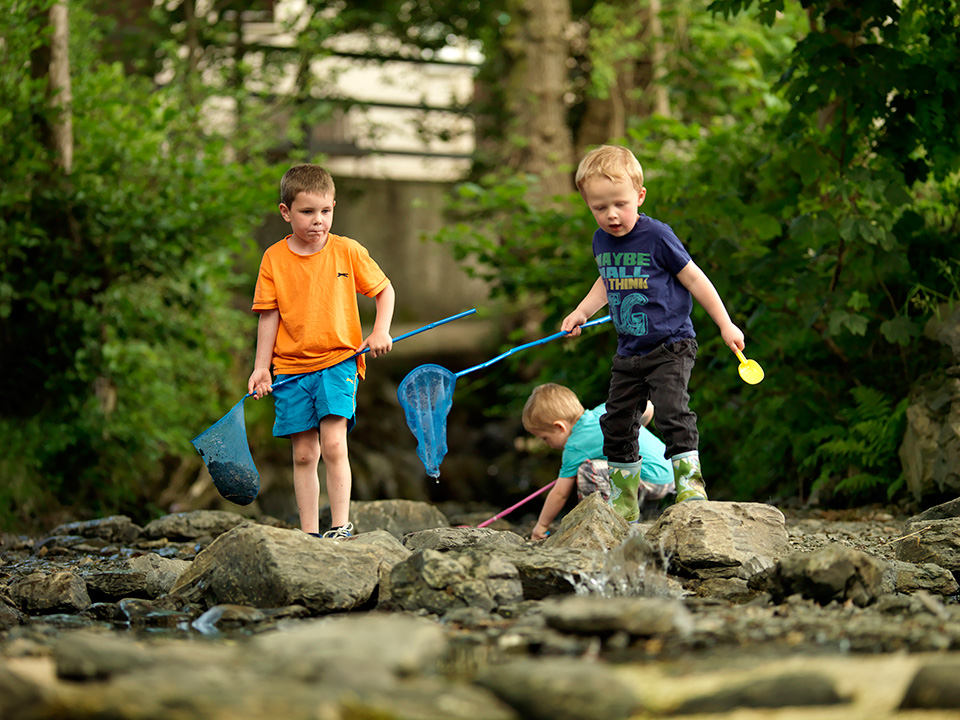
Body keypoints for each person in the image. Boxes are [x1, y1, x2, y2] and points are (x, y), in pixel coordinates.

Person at [560, 145, 745, 519]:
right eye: (599, 208)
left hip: (671, 344)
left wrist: (725, 324)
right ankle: (624, 500)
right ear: (588, 205)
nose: (611, 215)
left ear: (639, 196)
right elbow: (606, 281)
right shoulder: (602, 242)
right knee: (616, 419)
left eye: (620, 204)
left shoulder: (657, 236)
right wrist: (581, 311)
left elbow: (695, 278)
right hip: (630, 351)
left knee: (672, 411)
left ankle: (690, 485)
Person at [247, 164, 395, 539]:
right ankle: (309, 533)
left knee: (332, 443)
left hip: (339, 362)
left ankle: (340, 526)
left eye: (325, 211)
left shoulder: (347, 251)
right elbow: (269, 317)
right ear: (286, 213)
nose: (318, 221)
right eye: (307, 212)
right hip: (291, 370)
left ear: (334, 207)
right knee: (303, 454)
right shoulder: (274, 259)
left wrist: (380, 330)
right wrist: (261, 369)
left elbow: (384, 290)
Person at [522, 383, 674, 540]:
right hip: (670, 471)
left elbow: (560, 493)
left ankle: (604, 523)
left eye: (545, 438)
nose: (547, 444)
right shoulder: (605, 410)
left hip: (651, 480)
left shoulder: (574, 446)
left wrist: (541, 526)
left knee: (587, 470)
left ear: (560, 427)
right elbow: (648, 407)